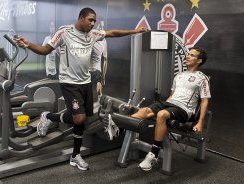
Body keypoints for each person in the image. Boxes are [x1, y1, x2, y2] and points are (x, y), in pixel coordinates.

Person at [15, 7, 147, 171]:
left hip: (85, 82)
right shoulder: (64, 32)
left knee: (81, 118)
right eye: (90, 20)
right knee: (79, 118)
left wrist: (134, 31)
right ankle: (72, 150)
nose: (92, 23)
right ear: (81, 18)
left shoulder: (92, 35)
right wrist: (27, 44)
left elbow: (112, 33)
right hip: (69, 82)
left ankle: (52, 122)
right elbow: (45, 50)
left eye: (94, 21)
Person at [131, 47, 211, 171]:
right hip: (170, 103)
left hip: (184, 109)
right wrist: (163, 104)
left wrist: (200, 122)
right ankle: (118, 126)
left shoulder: (202, 79)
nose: (188, 57)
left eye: (192, 55)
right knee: (144, 111)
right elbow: (172, 95)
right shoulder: (179, 75)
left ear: (199, 61)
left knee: (162, 115)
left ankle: (153, 154)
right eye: (188, 54)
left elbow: (205, 101)